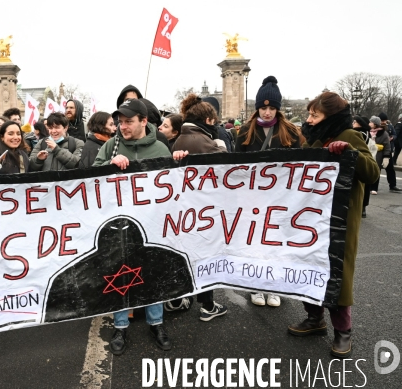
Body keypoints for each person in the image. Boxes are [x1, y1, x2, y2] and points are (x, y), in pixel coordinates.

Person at [289, 91, 379, 358]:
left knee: (337, 274)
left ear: (331, 116)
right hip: (311, 219)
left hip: (339, 221)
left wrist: (350, 153)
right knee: (309, 267)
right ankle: (314, 318)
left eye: (314, 115)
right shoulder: (313, 139)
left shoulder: (349, 136)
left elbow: (372, 172)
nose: (309, 119)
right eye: (309, 114)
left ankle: (343, 331)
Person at [92, 99, 172, 355]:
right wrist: (109, 165)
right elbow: (91, 175)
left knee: (152, 272)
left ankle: (156, 323)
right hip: (119, 225)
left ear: (144, 121)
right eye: (120, 121)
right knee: (120, 274)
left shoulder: (160, 147)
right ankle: (120, 325)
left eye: (128, 121)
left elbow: (173, 183)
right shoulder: (110, 145)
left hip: (151, 224)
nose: (122, 126)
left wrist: (179, 159)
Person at [236, 76, 300, 307]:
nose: (267, 112)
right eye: (263, 108)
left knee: (276, 243)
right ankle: (256, 285)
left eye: (272, 108)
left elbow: (301, 165)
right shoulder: (245, 131)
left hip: (281, 198)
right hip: (253, 198)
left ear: (278, 109)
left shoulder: (290, 131)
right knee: (255, 243)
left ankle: (274, 286)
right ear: (257, 109)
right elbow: (236, 167)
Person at [168, 94, 228, 319]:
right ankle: (207, 305)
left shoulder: (182, 137)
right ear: (209, 120)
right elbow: (225, 166)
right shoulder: (203, 140)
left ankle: (178, 299)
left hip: (185, 210)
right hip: (203, 210)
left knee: (184, 255)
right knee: (204, 257)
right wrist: (221, 145)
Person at [352, 116, 373, 217]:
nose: (353, 123)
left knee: (359, 186)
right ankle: (364, 207)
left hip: (360, 160)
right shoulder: (367, 133)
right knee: (366, 186)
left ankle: (361, 207)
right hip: (367, 159)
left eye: (355, 122)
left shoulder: (358, 133)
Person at [368, 116, 392, 195]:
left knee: (376, 171)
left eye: (371, 122)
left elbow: (387, 146)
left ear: (375, 124)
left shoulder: (384, 133)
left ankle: (374, 188)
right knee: (367, 170)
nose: (369, 123)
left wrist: (386, 157)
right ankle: (367, 187)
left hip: (378, 154)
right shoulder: (368, 131)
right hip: (369, 153)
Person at [377, 112, 401, 192]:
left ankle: (393, 185)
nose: (383, 122)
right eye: (382, 120)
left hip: (388, 150)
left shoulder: (390, 127)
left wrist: (392, 138)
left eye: (385, 120)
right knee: (377, 169)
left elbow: (395, 134)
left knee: (390, 169)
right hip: (379, 151)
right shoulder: (376, 127)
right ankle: (374, 186)